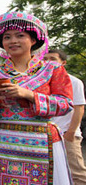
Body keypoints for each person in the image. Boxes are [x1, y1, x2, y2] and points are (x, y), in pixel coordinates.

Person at [0, 11, 74, 184]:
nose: (13, 41)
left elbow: (65, 104)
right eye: (7, 37)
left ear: (34, 39)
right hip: (4, 141)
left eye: (20, 35)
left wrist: (28, 94)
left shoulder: (53, 69)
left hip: (42, 140)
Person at [43, 49, 86, 184]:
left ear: (63, 63)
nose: (48, 62)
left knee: (76, 172)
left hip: (67, 134)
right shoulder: (41, 82)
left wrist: (71, 132)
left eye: (53, 59)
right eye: (45, 59)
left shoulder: (74, 82)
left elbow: (79, 108)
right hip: (46, 134)